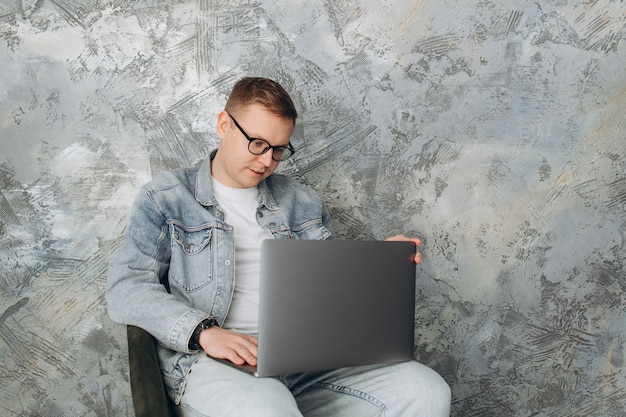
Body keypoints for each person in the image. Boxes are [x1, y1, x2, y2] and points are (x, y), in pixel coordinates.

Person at [106, 77, 451, 417]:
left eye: (279, 149)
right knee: (267, 406)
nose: (266, 161)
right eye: (256, 143)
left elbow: (326, 296)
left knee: (425, 390)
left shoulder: (301, 202)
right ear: (224, 125)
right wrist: (203, 332)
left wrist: (377, 264)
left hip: (304, 366)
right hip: (212, 364)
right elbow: (126, 287)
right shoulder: (166, 198)